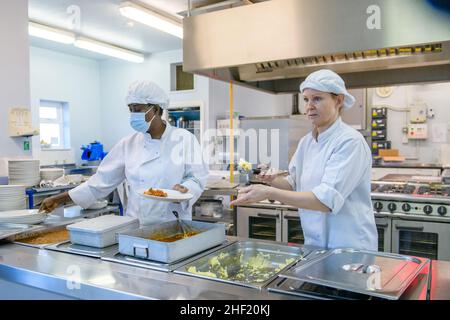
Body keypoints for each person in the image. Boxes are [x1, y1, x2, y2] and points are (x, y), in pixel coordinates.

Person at [231, 69, 378, 251]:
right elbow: (294, 183)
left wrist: (269, 193)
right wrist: (270, 180)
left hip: (349, 247)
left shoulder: (350, 141)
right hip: (314, 245)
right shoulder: (307, 142)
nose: (309, 106)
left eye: (317, 98)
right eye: (306, 99)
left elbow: (326, 200)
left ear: (338, 100)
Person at [40, 81, 209, 224]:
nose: (134, 114)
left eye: (138, 109)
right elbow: (101, 181)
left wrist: (185, 188)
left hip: (174, 224)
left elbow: (197, 178)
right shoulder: (128, 144)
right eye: (131, 109)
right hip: (136, 225)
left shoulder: (184, 139)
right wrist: (59, 198)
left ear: (156, 110)